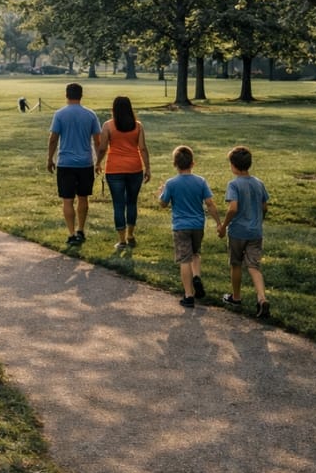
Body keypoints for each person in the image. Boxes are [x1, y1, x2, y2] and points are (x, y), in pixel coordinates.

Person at [158, 145, 221, 308]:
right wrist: (219, 223)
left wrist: (161, 193)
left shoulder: (171, 183)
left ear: (175, 164)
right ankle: (197, 276)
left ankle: (188, 295)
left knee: (184, 260)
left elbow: (163, 204)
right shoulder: (200, 181)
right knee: (195, 253)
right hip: (198, 225)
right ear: (193, 163)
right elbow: (210, 203)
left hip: (180, 226)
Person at [216, 146, 271, 318]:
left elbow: (233, 208)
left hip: (238, 232)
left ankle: (236, 297)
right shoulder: (258, 183)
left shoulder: (233, 184)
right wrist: (258, 221)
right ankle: (262, 299)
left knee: (236, 264)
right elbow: (264, 206)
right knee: (254, 266)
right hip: (255, 232)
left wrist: (224, 226)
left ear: (233, 165)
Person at [47, 83, 102, 246]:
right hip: (85, 162)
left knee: (67, 200)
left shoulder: (60, 114)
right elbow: (97, 141)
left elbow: (53, 138)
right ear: (81, 95)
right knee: (83, 197)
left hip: (65, 162)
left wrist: (50, 158)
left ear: (66, 95)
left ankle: (71, 233)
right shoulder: (90, 115)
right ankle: (81, 230)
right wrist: (98, 161)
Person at [95, 96, 151, 249]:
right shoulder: (137, 126)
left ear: (114, 109)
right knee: (132, 202)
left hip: (114, 169)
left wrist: (98, 163)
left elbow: (102, 148)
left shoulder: (108, 125)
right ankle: (131, 234)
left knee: (118, 204)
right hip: (135, 168)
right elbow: (143, 148)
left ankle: (122, 240)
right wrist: (148, 168)